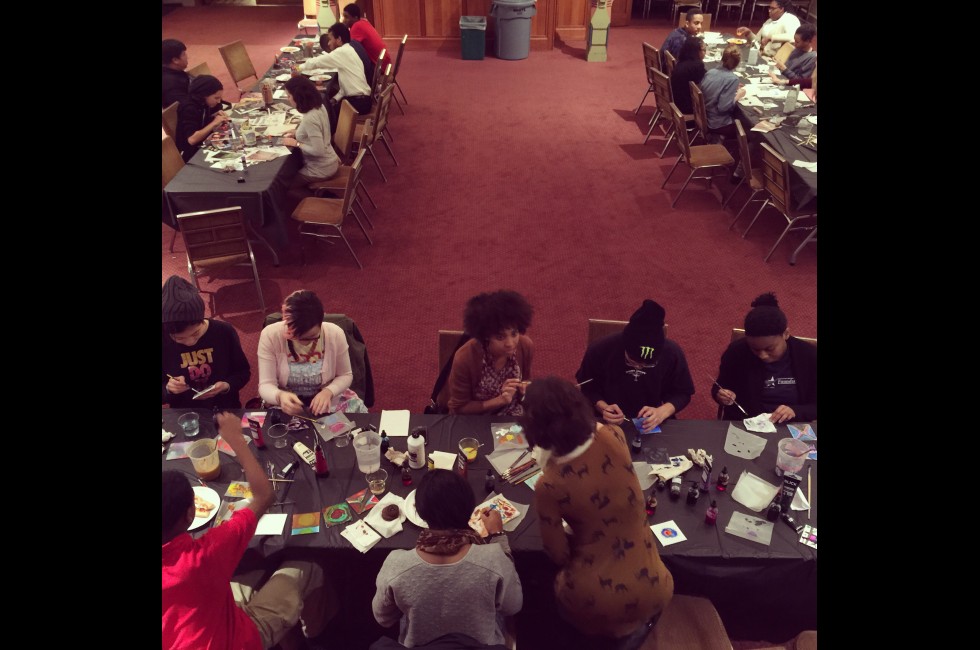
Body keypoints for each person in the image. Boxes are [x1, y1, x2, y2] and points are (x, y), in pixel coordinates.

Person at [163, 411, 333, 649]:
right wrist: (236, 440)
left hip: (197, 624)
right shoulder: (202, 556)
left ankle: (288, 635)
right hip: (236, 641)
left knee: (252, 570)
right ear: (190, 514)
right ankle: (317, 635)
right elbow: (264, 496)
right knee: (308, 564)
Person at [523, 377, 673, 646]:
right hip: (655, 586)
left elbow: (557, 554)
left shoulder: (549, 484)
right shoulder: (614, 434)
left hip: (593, 599)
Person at [371, 469, 522, 648]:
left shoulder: (396, 564)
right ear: (470, 509)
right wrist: (498, 534)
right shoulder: (494, 559)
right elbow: (513, 606)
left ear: (420, 512)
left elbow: (383, 618)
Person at [576, 299, 694, 433]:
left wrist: (662, 411)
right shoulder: (600, 349)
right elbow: (587, 387)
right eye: (632, 362)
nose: (638, 368)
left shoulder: (672, 353)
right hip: (606, 418)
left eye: (648, 365)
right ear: (625, 346)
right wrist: (603, 408)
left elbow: (683, 392)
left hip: (650, 419)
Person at [258, 289, 366, 416]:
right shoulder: (270, 335)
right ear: (287, 323)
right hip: (287, 403)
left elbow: (345, 375)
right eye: (296, 337)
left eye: (312, 337)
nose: (304, 343)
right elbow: (266, 384)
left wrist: (329, 391)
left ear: (321, 322)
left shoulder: (335, 334)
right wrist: (279, 396)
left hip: (328, 399)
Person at [711, 292, 816, 423]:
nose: (762, 355)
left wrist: (796, 411)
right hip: (748, 422)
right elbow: (720, 386)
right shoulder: (736, 352)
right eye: (755, 349)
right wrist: (721, 395)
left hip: (791, 423)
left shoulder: (808, 355)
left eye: (769, 349)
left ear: (786, 334)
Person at [161, 275, 251, 409]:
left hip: (224, 406)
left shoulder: (223, 332)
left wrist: (226, 386)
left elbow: (243, 372)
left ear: (202, 320)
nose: (190, 342)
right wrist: (168, 389)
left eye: (196, 333)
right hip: (185, 411)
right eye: (179, 339)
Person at [447, 290, 534, 416]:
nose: (510, 343)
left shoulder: (525, 346)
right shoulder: (465, 358)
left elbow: (526, 383)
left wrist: (525, 391)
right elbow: (459, 408)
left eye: (514, 334)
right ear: (486, 336)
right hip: (476, 419)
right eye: (500, 337)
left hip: (513, 414)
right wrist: (500, 400)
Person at [282, 75, 341, 203]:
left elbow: (318, 151)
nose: (288, 99)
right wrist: (297, 132)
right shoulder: (319, 106)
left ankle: (319, 202)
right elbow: (318, 132)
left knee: (284, 186)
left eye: (289, 96)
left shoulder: (309, 118)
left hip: (321, 169)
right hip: (330, 160)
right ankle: (320, 193)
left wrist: (296, 143)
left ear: (298, 97)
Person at [300, 22, 373, 124]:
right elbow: (346, 88)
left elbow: (318, 62)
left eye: (330, 39)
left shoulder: (342, 52)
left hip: (359, 103)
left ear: (338, 39)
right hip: (362, 100)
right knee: (327, 107)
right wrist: (335, 99)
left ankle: (330, 134)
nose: (328, 43)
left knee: (323, 116)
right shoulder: (349, 49)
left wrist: (299, 68)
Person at [175, 74, 230, 162]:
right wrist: (214, 123)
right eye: (216, 98)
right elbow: (192, 139)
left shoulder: (204, 102)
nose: (219, 101)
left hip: (205, 142)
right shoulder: (189, 108)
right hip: (191, 153)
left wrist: (215, 114)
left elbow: (217, 108)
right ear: (204, 95)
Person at [699, 45, 745, 147]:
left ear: (722, 58)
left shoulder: (710, 72)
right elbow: (723, 108)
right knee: (748, 129)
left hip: (704, 117)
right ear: (737, 63)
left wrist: (732, 89)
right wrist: (737, 96)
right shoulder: (732, 79)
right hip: (717, 124)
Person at [736, 0, 801, 58]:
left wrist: (771, 37)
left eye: (773, 8)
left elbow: (794, 37)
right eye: (769, 8)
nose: (769, 11)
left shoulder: (790, 19)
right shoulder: (769, 21)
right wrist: (748, 33)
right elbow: (757, 42)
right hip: (760, 54)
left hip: (773, 59)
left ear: (781, 9)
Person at [342, 3, 392, 70]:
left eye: (346, 17)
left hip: (379, 68)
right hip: (384, 64)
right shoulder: (363, 21)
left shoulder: (356, 26)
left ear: (355, 18)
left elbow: (349, 50)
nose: (343, 20)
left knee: (347, 68)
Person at [768, 23, 816, 87]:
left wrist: (784, 69)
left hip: (792, 86)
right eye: (794, 40)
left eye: (797, 42)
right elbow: (785, 69)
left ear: (807, 41)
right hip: (782, 79)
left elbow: (800, 81)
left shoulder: (812, 58)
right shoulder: (797, 49)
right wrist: (780, 67)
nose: (795, 44)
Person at [670, 36, 706, 115]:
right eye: (704, 50)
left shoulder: (682, 60)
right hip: (687, 108)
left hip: (676, 102)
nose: (705, 53)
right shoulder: (697, 65)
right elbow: (704, 87)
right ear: (697, 51)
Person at [162, 38, 190, 108]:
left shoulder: (174, 70)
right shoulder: (172, 86)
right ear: (175, 60)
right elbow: (186, 108)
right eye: (183, 54)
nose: (187, 57)